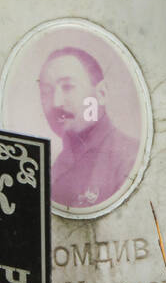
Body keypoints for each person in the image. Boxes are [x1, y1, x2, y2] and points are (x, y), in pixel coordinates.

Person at [38, 46, 141, 212]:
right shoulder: (54, 169)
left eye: (68, 87)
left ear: (101, 93)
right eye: (46, 92)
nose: (56, 102)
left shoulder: (131, 160)